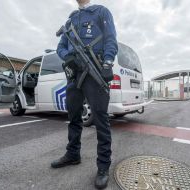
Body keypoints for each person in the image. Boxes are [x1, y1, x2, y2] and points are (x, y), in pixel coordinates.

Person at [51, 0, 118, 189]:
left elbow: (110, 39)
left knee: (100, 119)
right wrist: (68, 57)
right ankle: (73, 154)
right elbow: (60, 47)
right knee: (73, 116)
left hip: (94, 71)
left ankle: (103, 166)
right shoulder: (70, 21)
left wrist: (107, 63)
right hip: (75, 74)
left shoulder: (101, 12)